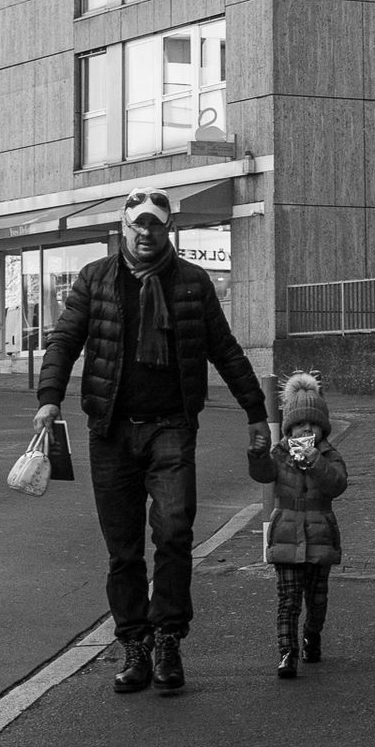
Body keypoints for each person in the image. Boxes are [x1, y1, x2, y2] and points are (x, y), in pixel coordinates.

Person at [34, 188, 270, 695]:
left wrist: (257, 413)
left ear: (168, 230)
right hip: (111, 430)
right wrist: (49, 397)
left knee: (174, 533)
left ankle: (168, 640)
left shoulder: (191, 282)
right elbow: (65, 340)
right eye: (138, 225)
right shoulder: (96, 279)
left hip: (170, 426)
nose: (146, 234)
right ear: (124, 227)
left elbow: (224, 349)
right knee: (123, 551)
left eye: (156, 226)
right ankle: (134, 645)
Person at [247, 372, 348, 679]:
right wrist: (257, 455)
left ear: (322, 429)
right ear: (289, 428)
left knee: (317, 599)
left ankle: (311, 635)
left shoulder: (329, 455)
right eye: (299, 425)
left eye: (313, 424)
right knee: (288, 598)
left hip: (319, 535)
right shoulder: (280, 454)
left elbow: (337, 484)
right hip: (286, 536)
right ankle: (287, 651)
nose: (306, 429)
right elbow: (264, 475)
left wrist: (315, 460)